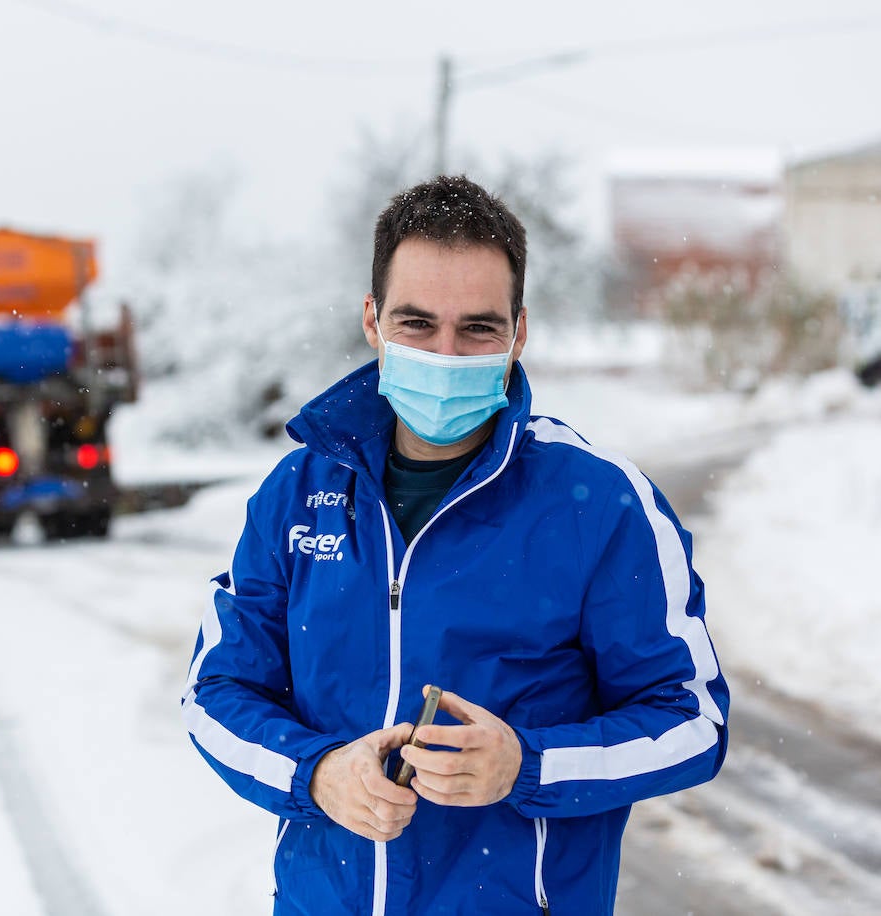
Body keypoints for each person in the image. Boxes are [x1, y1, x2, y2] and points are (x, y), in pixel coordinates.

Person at [181, 175, 729, 914]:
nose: (446, 353)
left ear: (519, 331)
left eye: (477, 328)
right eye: (416, 323)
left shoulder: (600, 504)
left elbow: (691, 719)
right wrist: (316, 774)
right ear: (372, 321)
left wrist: (528, 765)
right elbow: (215, 692)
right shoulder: (297, 495)